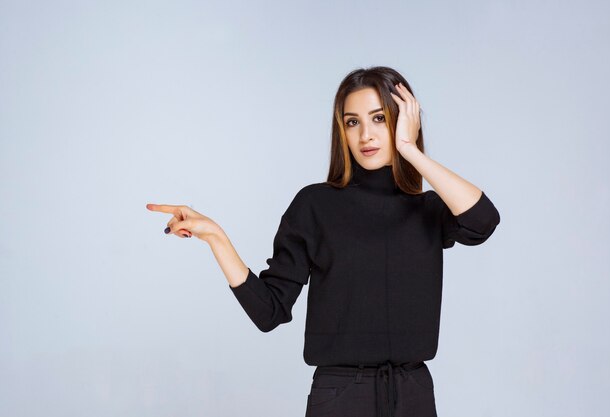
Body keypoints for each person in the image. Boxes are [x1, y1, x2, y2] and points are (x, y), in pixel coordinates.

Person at [146, 66, 501, 417]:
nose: (365, 135)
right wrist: (216, 238)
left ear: (402, 120)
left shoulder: (429, 210)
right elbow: (269, 311)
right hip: (341, 396)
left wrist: (411, 150)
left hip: (413, 394)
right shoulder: (315, 205)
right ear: (341, 132)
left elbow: (483, 221)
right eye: (352, 122)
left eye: (379, 118)